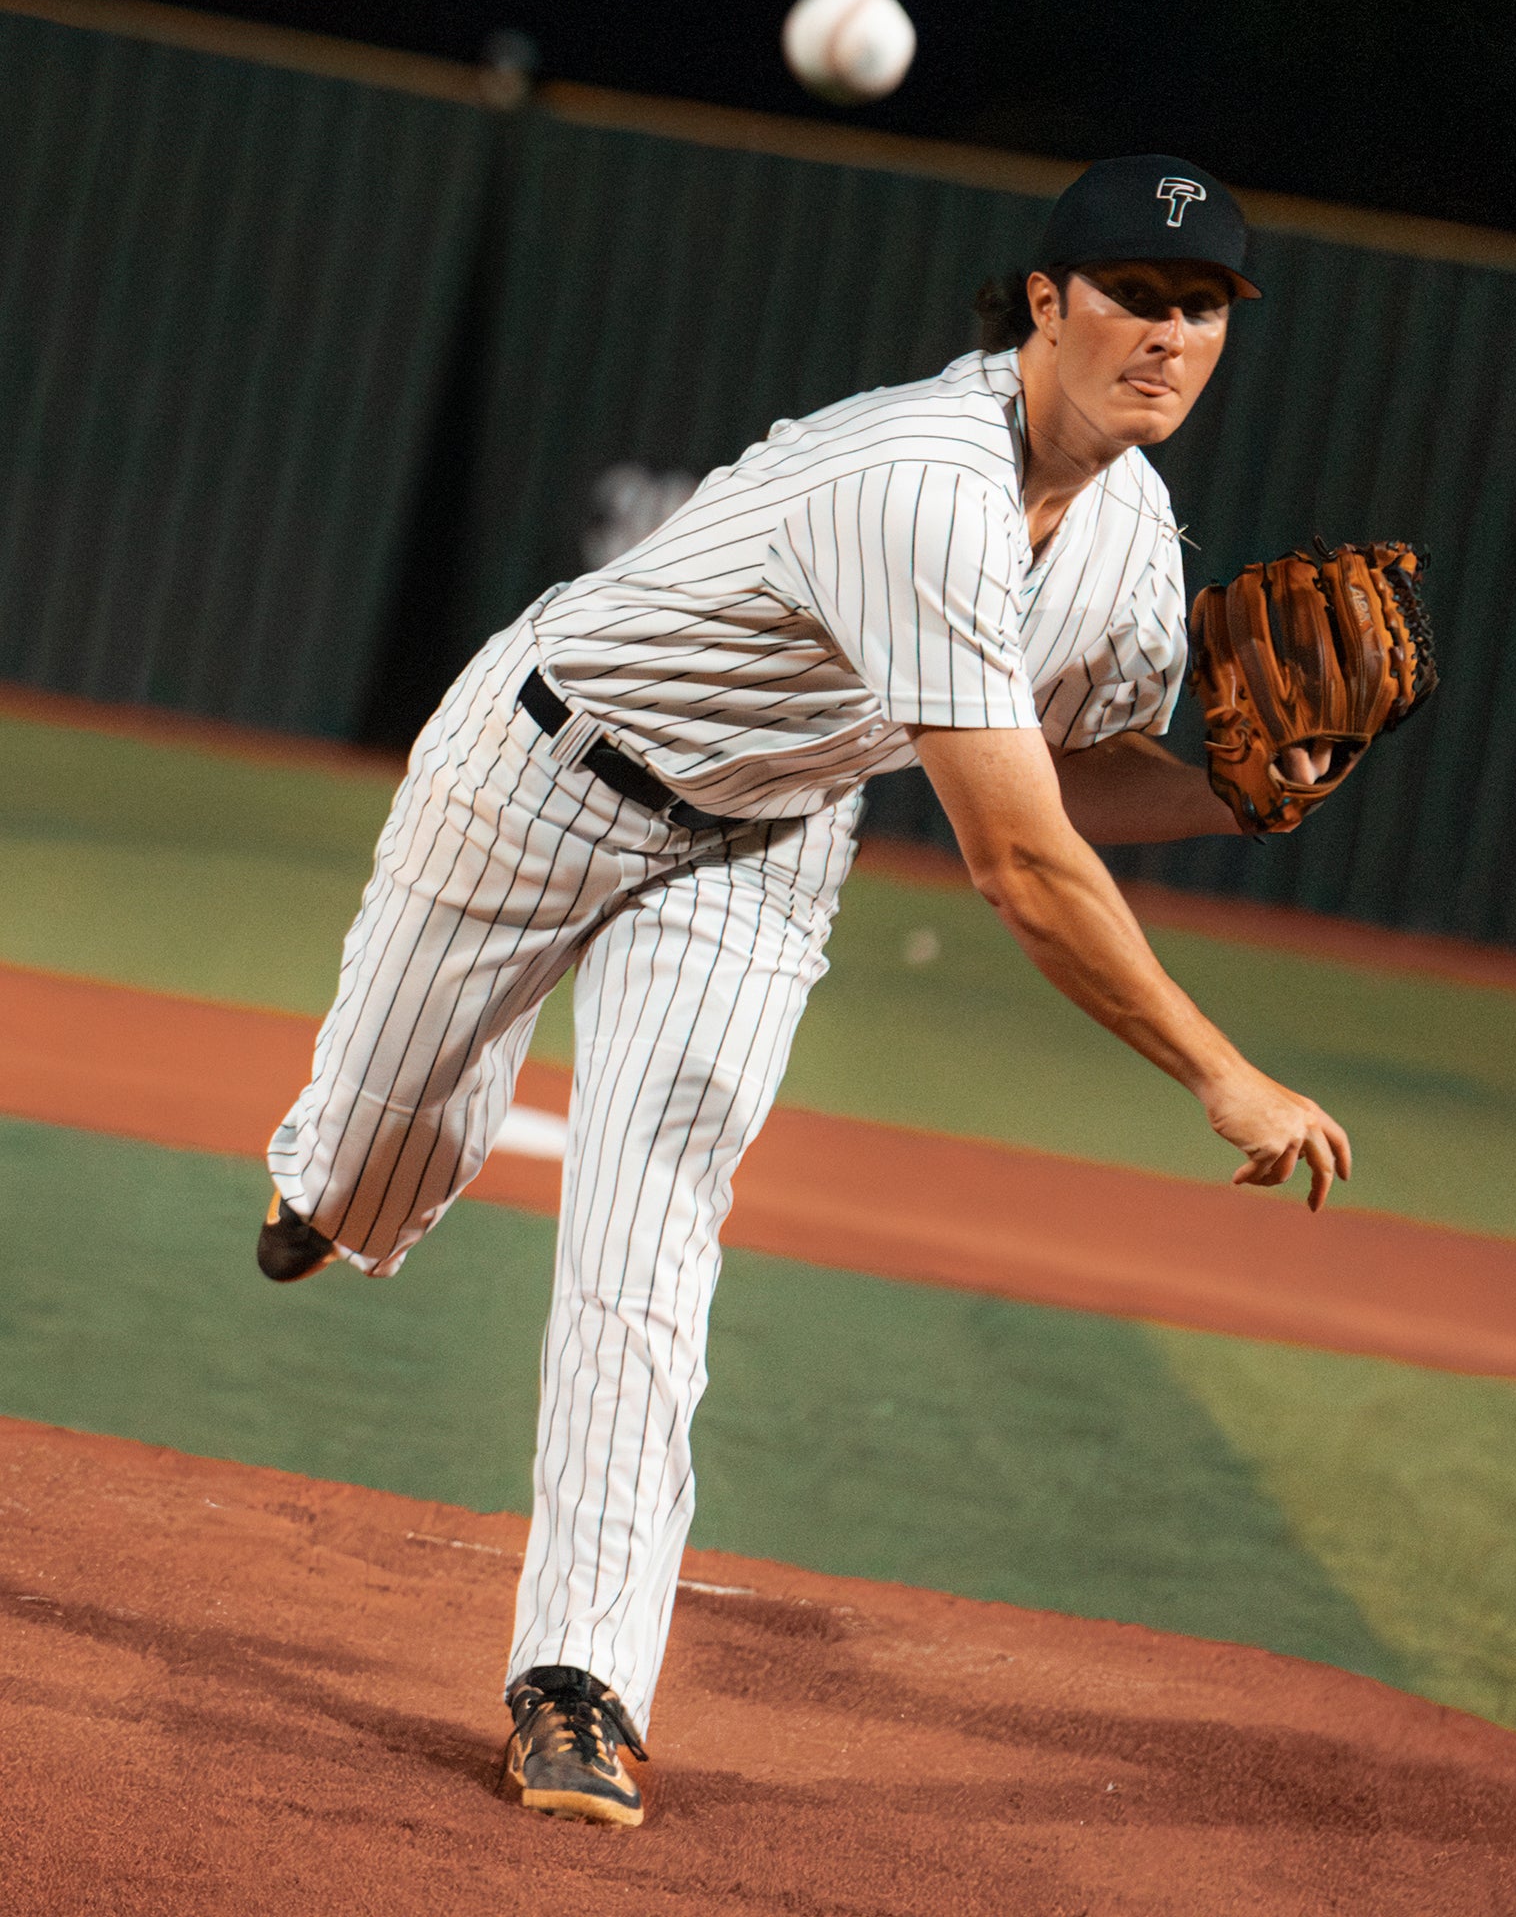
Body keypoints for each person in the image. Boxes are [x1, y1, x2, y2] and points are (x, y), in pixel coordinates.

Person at [258, 154, 1351, 1828]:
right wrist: (1217, 1069)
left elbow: (1061, 775)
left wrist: (1232, 783)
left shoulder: (1127, 533)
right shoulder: (921, 480)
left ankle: (580, 1683)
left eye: (1203, 308)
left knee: (654, 1223)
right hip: (545, 766)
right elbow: (1017, 864)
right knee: (377, 1155)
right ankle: (333, 1166)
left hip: (760, 841)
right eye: (1137, 294)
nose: (1171, 334)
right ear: (1045, 303)